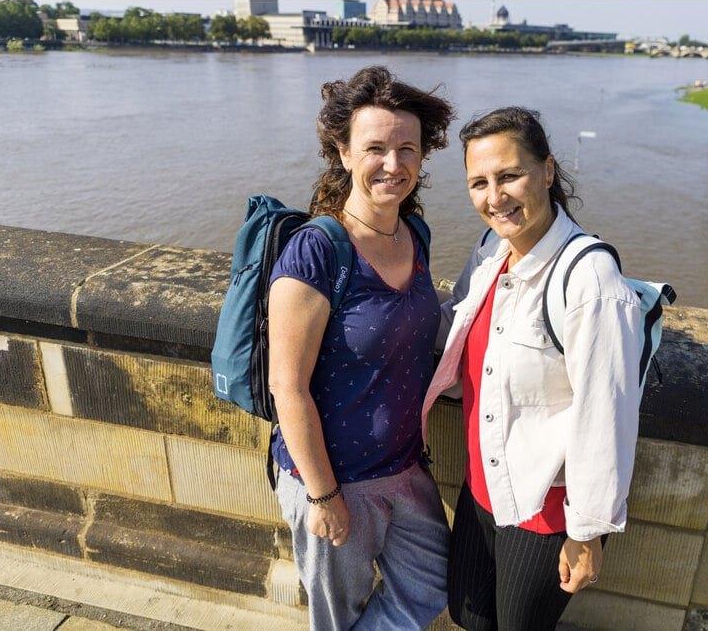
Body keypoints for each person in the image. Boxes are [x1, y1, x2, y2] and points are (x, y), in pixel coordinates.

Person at [422, 107, 643, 630]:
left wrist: (587, 533)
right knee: (469, 615)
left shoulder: (590, 281)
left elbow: (606, 415)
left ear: (546, 171)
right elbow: (454, 336)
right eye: (479, 182)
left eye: (509, 176)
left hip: (545, 509)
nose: (493, 197)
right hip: (484, 484)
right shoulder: (490, 254)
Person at [266, 65, 454, 630]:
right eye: (375, 148)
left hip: (404, 470)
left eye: (407, 149)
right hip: (334, 479)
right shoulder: (316, 252)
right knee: (336, 615)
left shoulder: (415, 235)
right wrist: (323, 497)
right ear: (344, 153)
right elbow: (287, 386)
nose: (393, 165)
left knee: (434, 585)